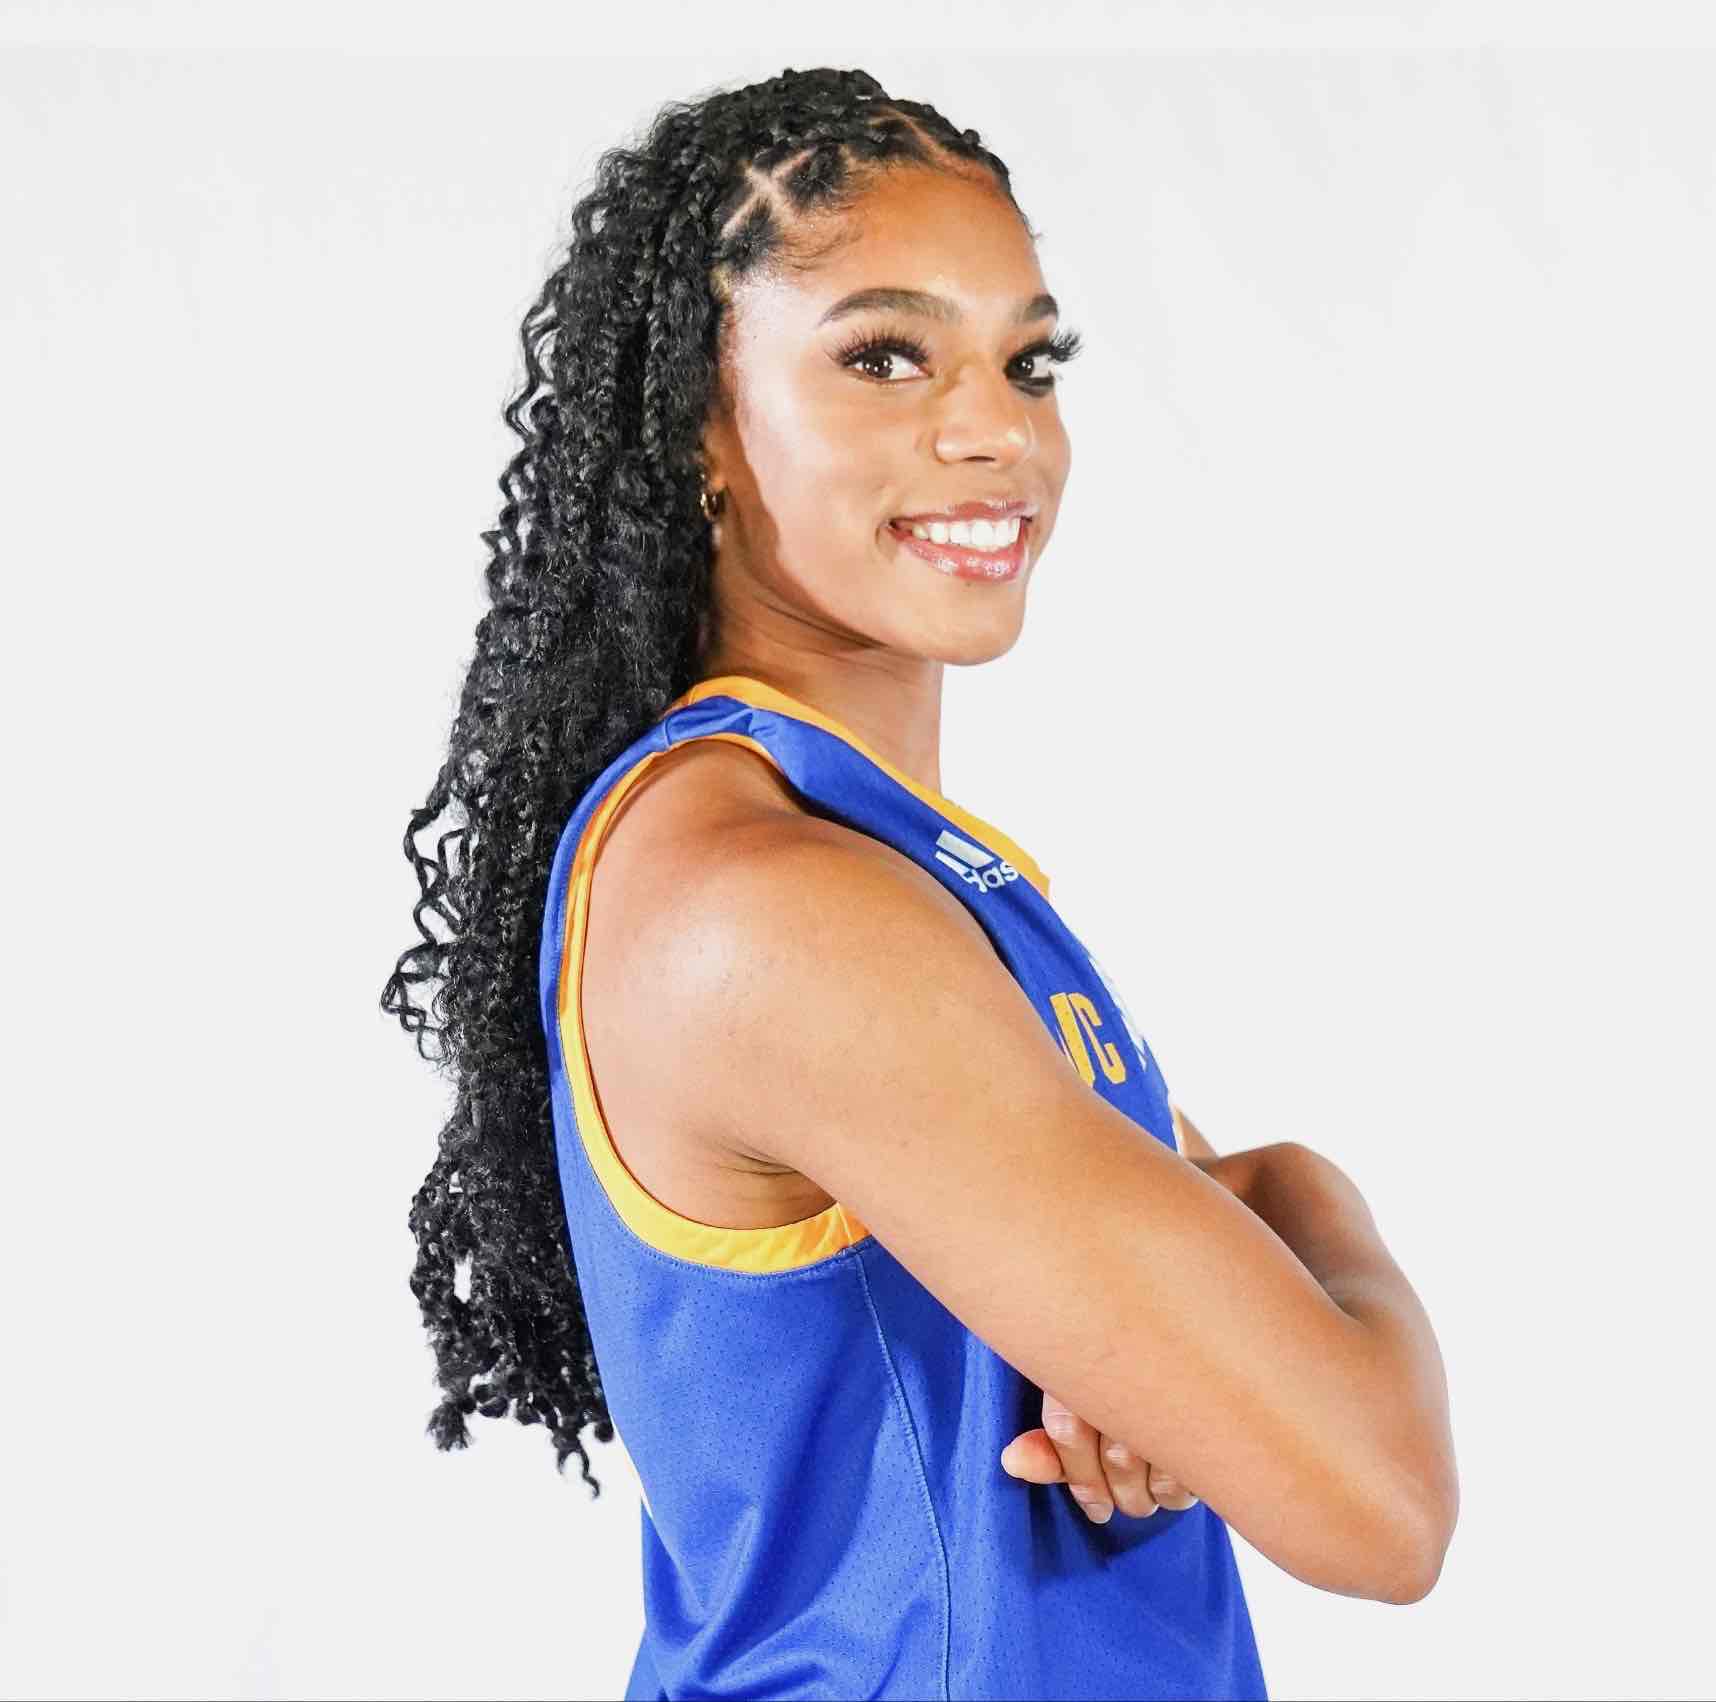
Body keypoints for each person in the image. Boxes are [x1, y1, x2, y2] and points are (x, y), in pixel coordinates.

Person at [381, 66, 1457, 1701]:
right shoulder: (778, 906)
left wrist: (1165, 1361)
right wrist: (1307, 1198)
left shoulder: (876, 857)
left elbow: (1204, 1294)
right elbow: (1382, 1502)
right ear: (700, 426)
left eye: (1029, 361)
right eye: (884, 355)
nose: (996, 430)